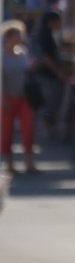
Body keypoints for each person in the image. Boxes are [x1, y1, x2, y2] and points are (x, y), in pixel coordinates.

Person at [2, 20, 40, 176]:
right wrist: (2, 98)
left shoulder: (23, 52)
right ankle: (9, 164)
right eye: (16, 37)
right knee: (6, 132)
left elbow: (29, 70)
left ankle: (29, 163)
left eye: (20, 36)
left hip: (24, 96)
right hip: (7, 97)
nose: (18, 40)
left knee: (28, 129)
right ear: (8, 38)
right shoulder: (2, 56)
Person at [33, 10, 70, 138]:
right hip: (47, 75)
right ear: (51, 22)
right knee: (49, 103)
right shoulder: (44, 36)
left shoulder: (48, 35)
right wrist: (58, 72)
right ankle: (44, 129)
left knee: (50, 102)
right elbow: (46, 58)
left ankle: (45, 128)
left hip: (48, 75)